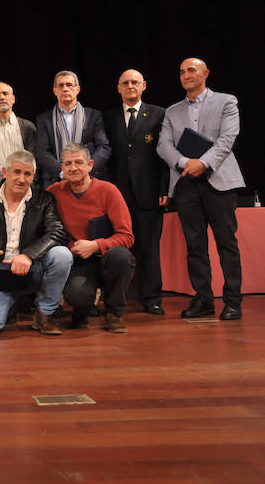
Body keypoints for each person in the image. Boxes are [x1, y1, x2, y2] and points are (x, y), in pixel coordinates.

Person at [157, 58, 245, 320]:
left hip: (218, 180)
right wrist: (185, 163)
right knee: (195, 245)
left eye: (191, 70)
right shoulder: (171, 111)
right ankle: (203, 299)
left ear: (206, 73)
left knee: (226, 243)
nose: (186, 75)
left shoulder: (226, 101)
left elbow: (228, 137)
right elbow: (163, 145)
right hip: (185, 183)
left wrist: (203, 163)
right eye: (181, 71)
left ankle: (232, 301)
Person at [0, 150, 72, 336]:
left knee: (62, 255)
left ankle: (44, 313)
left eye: (27, 174)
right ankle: (12, 305)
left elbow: (57, 232)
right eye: (16, 172)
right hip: (1, 276)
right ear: (4, 172)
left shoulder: (45, 200)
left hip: (33, 269)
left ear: (33, 176)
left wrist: (28, 255)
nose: (22, 179)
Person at [47, 143, 136, 333]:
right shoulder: (55, 192)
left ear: (90, 165)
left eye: (79, 162)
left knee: (122, 257)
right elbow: (29, 199)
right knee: (77, 294)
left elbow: (127, 237)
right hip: (79, 261)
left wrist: (96, 245)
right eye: (68, 163)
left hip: (106, 257)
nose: (73, 168)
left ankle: (114, 313)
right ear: (61, 167)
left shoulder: (108, 191)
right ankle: (81, 313)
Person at [103, 69, 169, 315]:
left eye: (135, 82)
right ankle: (116, 299)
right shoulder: (107, 117)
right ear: (118, 88)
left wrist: (164, 188)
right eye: (125, 83)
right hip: (116, 195)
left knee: (150, 248)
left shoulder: (160, 114)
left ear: (144, 86)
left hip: (149, 193)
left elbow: (164, 154)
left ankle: (152, 299)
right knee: (117, 249)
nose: (130, 86)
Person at [35, 71, 111, 188]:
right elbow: (42, 151)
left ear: (78, 89)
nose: (65, 89)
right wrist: (62, 172)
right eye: (61, 85)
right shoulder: (44, 119)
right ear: (55, 91)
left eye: (69, 85)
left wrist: (86, 171)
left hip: (89, 179)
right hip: (56, 180)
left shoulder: (94, 115)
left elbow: (103, 147)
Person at [0, 81, 36, 195]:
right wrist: (2, 184)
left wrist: (23, 180)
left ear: (13, 99)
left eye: (5, 93)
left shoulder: (28, 127)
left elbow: (33, 158)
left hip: (26, 187)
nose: (2, 97)